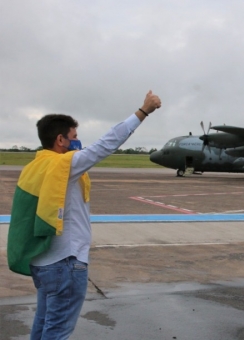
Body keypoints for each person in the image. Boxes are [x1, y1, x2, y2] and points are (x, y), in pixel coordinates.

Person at [7, 91, 161, 339]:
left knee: (43, 326)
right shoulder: (64, 165)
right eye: (74, 137)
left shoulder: (35, 167)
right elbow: (106, 144)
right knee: (56, 333)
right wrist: (142, 112)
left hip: (42, 263)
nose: (78, 142)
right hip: (65, 264)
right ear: (60, 140)